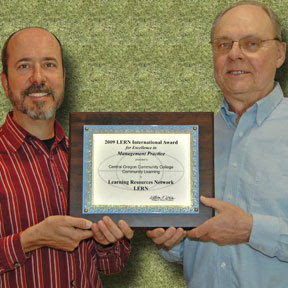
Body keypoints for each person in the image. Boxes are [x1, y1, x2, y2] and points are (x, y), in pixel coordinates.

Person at [147, 1, 288, 287]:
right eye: (223, 45)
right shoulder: (190, 140)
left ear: (280, 54)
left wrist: (251, 230)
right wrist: (171, 240)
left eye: (251, 43)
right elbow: (189, 249)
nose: (234, 54)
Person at [0, 27, 133, 287]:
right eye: (24, 66)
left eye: (49, 65)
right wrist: (29, 240)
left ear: (63, 77)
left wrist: (108, 241)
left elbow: (111, 265)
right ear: (5, 83)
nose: (38, 78)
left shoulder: (92, 159)